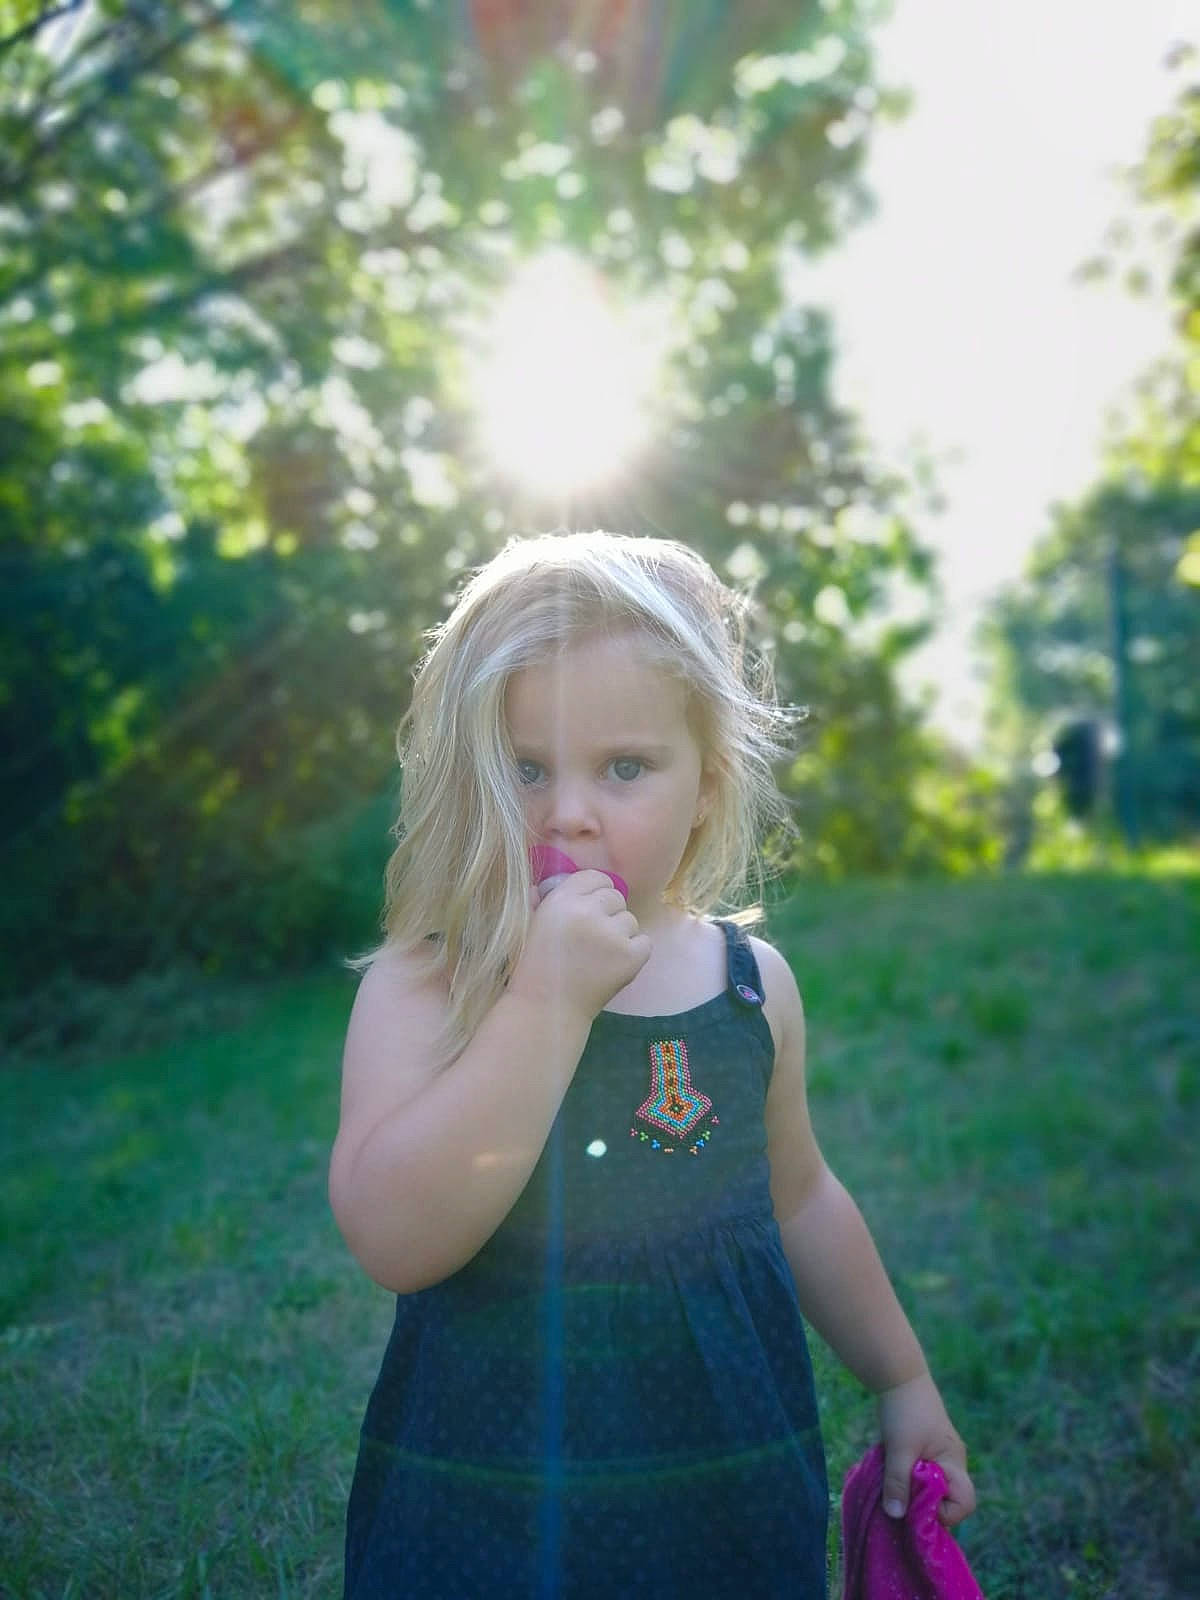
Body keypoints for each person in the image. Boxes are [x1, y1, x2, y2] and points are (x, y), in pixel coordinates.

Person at [330, 530, 975, 1598]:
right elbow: (395, 1239)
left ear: (707, 790)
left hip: (721, 1484)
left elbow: (802, 1195)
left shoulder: (745, 984)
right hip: (490, 1497)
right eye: (527, 767)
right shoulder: (427, 983)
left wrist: (901, 1377)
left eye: (624, 768)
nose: (567, 812)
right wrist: (543, 999)